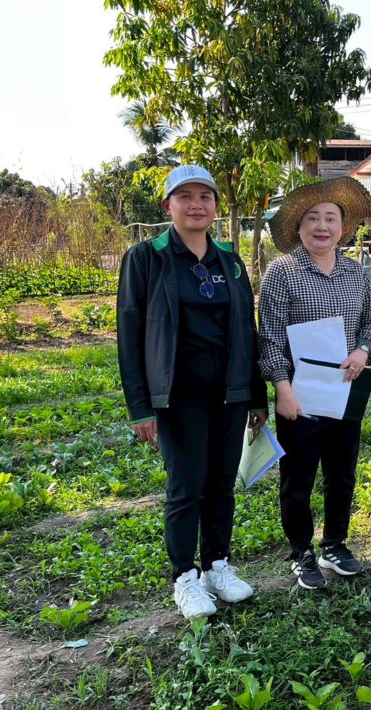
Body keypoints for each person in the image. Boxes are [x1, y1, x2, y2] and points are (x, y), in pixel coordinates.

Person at [116, 164, 268, 619]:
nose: (196, 205)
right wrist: (140, 406)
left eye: (205, 196)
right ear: (168, 206)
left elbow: (247, 329)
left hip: (230, 392)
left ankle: (216, 566)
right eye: (185, 197)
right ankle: (184, 576)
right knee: (186, 487)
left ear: (216, 205)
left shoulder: (229, 260)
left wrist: (255, 395)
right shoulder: (147, 258)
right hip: (178, 394)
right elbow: (130, 334)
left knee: (221, 483)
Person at [259, 177, 371, 589]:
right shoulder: (282, 272)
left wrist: (363, 350)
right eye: (312, 218)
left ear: (343, 227)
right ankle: (301, 551)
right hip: (301, 394)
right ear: (298, 227)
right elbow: (269, 338)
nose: (322, 226)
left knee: (341, 473)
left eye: (331, 218)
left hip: (345, 390)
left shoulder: (355, 272)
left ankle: (334, 544)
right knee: (299, 477)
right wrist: (282, 387)